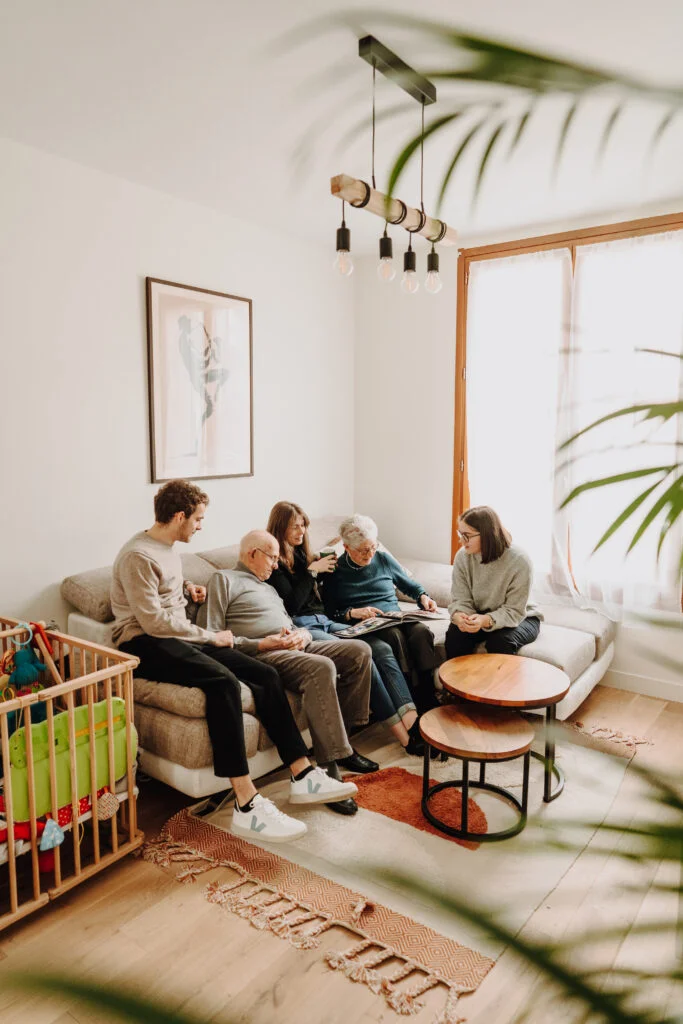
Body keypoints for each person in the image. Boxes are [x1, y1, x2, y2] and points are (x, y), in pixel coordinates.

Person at [111, 480, 357, 844]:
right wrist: (211, 636)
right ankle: (246, 804)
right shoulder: (137, 556)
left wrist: (186, 591)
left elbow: (162, 593)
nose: (200, 525)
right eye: (197, 519)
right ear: (179, 516)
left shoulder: (167, 548)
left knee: (265, 673)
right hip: (145, 644)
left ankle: (302, 774)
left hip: (176, 637)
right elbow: (152, 621)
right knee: (223, 683)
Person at [199, 530, 378, 817]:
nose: (276, 563)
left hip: (294, 646)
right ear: (252, 554)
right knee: (322, 668)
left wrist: (303, 636)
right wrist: (260, 643)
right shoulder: (224, 580)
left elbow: (292, 624)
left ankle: (344, 743)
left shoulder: (269, 587)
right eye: (272, 557)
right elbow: (212, 636)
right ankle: (331, 768)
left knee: (359, 651)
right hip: (264, 654)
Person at [266, 501, 425, 756]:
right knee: (365, 653)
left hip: (325, 621)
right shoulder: (273, 562)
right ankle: (406, 738)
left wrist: (314, 564)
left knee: (381, 648)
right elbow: (293, 606)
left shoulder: (301, 555)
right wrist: (311, 573)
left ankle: (412, 719)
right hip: (303, 625)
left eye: (304, 525)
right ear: (279, 527)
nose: (301, 531)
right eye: (295, 526)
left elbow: (322, 604)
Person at [320, 514, 440, 716]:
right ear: (347, 548)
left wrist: (423, 597)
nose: (369, 555)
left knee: (420, 632)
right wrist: (352, 613)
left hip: (394, 616)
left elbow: (410, 586)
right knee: (393, 636)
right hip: (368, 624)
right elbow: (329, 612)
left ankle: (427, 692)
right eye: (363, 551)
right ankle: (411, 696)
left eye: (373, 547)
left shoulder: (382, 559)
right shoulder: (335, 571)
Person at [446, 505, 542, 660]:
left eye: (467, 535)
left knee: (500, 642)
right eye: (460, 534)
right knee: (456, 635)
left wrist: (485, 620)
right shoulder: (462, 557)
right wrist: (460, 616)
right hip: (480, 615)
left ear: (486, 535)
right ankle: (454, 684)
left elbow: (515, 610)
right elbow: (461, 599)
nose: (461, 541)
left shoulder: (519, 560)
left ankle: (498, 685)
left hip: (522, 617)